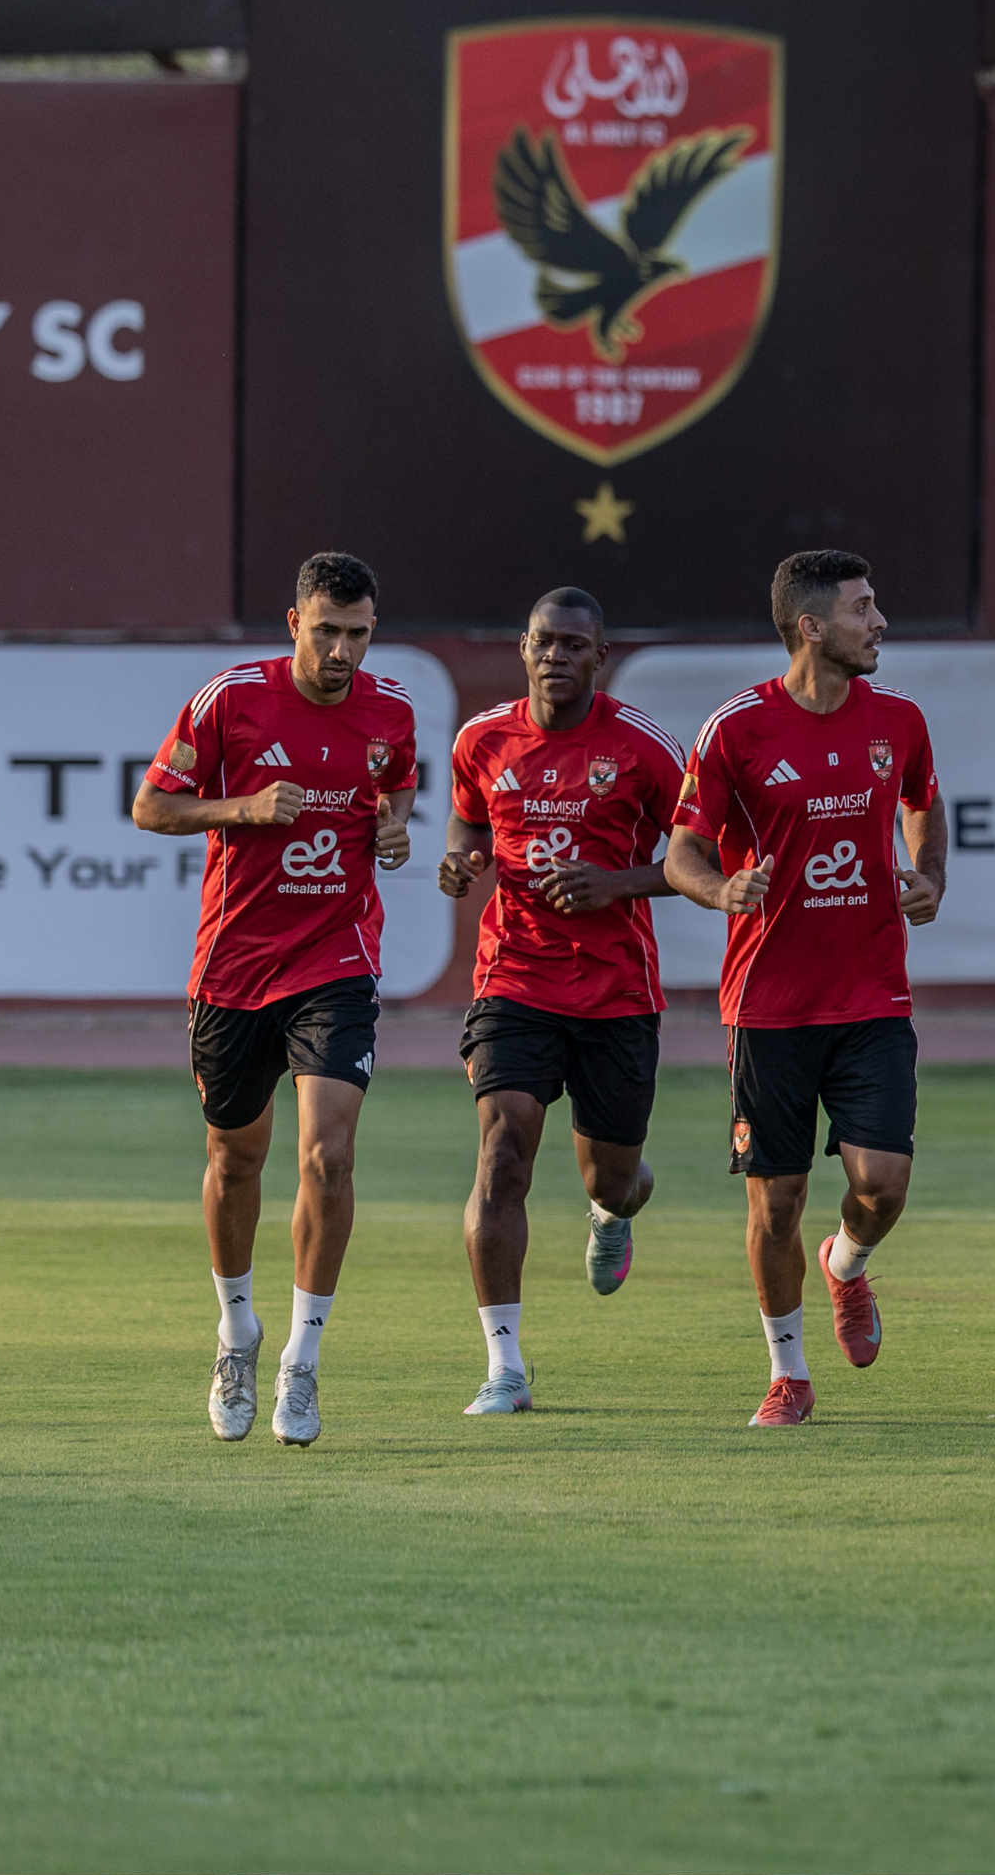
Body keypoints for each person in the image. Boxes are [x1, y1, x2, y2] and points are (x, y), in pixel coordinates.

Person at [132, 551, 420, 1448]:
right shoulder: (230, 699)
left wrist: (397, 825)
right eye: (327, 631)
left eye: (358, 633)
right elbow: (150, 806)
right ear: (294, 623)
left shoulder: (393, 709)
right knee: (234, 1160)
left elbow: (396, 783)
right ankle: (237, 1329)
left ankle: (302, 1356)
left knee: (327, 1157)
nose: (342, 651)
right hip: (234, 968)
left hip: (336, 960)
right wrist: (242, 809)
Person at [664, 551, 945, 1430]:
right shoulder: (737, 729)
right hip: (768, 1007)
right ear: (812, 626)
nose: (881, 620)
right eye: (865, 608)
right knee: (774, 1200)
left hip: (871, 995)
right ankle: (789, 1373)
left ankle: (848, 1264)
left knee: (884, 1185)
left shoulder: (898, 719)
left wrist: (929, 872)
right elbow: (681, 853)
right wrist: (721, 891)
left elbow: (922, 801)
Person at [432, 588, 687, 1417]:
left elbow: (705, 854)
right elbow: (468, 825)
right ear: (522, 647)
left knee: (611, 1175)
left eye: (574, 645)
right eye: (544, 642)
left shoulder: (645, 748)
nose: (556, 657)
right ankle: (505, 1367)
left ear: (599, 657)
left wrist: (614, 882)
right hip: (515, 978)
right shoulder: (483, 738)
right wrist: (460, 861)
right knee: (503, 1151)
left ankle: (612, 1210)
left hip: (616, 988)